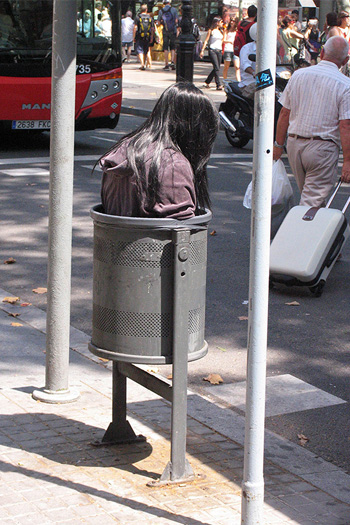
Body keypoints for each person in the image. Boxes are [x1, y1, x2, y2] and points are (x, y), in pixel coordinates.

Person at [99, 82, 219, 219]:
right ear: (196, 130)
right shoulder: (174, 165)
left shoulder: (122, 150)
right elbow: (181, 232)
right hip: (156, 240)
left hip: (116, 240)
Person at [273, 37, 350, 209]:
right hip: (322, 149)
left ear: (322, 52)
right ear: (346, 60)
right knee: (311, 202)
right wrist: (347, 161)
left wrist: (278, 145)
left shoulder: (299, 75)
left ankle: (311, 231)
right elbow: (345, 125)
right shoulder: (345, 85)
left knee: (310, 197)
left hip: (294, 145)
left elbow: (285, 113)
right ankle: (299, 234)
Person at [200, 17, 224, 90]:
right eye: (221, 22)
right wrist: (202, 50)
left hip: (219, 50)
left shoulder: (221, 31)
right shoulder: (211, 31)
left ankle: (207, 81)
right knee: (216, 67)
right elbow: (206, 40)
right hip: (212, 50)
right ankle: (218, 84)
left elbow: (222, 40)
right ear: (217, 22)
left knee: (217, 68)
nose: (222, 23)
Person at [237, 23, 257, 99]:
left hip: (268, 82)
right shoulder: (247, 48)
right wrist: (254, 73)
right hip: (249, 83)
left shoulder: (271, 49)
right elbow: (245, 65)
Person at [158, 0, 178, 70]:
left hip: (165, 31)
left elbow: (158, 22)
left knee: (165, 47)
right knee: (173, 47)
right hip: (173, 30)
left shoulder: (161, 11)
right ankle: (172, 62)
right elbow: (176, 21)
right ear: (170, 2)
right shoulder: (174, 10)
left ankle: (166, 64)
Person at [133, 4, 154, 71]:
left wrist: (134, 36)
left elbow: (135, 27)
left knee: (139, 50)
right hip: (147, 36)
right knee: (145, 50)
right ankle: (144, 64)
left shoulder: (138, 17)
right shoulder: (150, 18)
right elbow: (153, 28)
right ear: (146, 10)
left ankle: (142, 64)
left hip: (139, 35)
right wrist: (152, 37)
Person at [222, 16, 240, 80]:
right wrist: (229, 41)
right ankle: (225, 80)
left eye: (234, 21)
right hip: (228, 49)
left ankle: (238, 81)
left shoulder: (237, 30)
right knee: (226, 67)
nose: (232, 22)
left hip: (235, 50)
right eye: (231, 20)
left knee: (237, 67)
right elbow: (223, 40)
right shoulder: (226, 30)